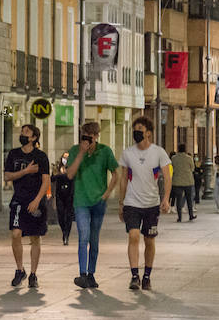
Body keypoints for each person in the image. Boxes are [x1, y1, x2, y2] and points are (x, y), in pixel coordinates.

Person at [117, 116, 172, 291]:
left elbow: (168, 177)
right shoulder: (128, 153)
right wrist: (121, 202)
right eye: (135, 129)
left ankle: (147, 275)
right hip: (132, 202)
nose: (136, 132)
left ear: (148, 133)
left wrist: (166, 199)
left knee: (149, 240)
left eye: (140, 129)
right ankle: (134, 276)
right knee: (133, 235)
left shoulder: (158, 152)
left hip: (151, 204)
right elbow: (124, 179)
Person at [65, 120, 119, 290]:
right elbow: (70, 175)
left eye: (90, 137)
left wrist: (107, 193)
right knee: (83, 236)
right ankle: (82, 274)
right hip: (81, 201)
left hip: (98, 201)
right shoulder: (75, 151)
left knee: (94, 240)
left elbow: (116, 173)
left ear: (96, 136)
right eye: (84, 137)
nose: (87, 140)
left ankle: (91, 274)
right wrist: (81, 153)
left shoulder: (105, 151)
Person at [3, 123, 50, 289]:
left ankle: (33, 273)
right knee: (15, 234)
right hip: (18, 200)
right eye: (22, 132)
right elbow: (7, 176)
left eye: (26, 132)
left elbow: (46, 181)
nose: (23, 134)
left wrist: (37, 200)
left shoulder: (41, 156)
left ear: (34, 137)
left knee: (35, 237)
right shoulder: (14, 154)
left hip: (35, 201)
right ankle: (19, 269)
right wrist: (25, 171)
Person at [169, 143, 196, 222]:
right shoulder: (189, 158)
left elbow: (171, 167)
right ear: (185, 149)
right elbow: (192, 168)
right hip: (188, 181)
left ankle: (179, 217)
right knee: (189, 199)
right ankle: (191, 215)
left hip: (177, 181)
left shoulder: (174, 158)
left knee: (179, 200)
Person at [53, 155, 75, 245]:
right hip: (60, 195)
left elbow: (73, 178)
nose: (65, 159)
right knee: (61, 215)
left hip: (69, 195)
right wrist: (58, 174)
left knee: (68, 216)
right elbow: (52, 178)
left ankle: (66, 235)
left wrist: (66, 174)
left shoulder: (72, 167)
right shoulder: (57, 168)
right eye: (64, 157)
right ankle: (64, 231)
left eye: (67, 158)